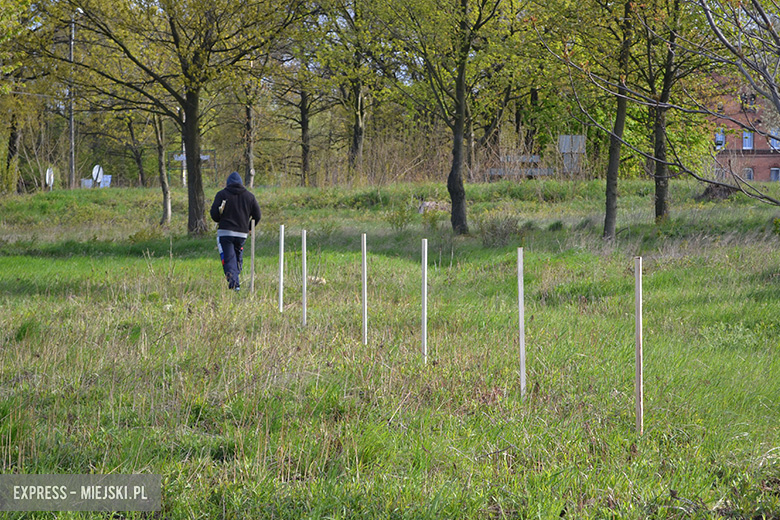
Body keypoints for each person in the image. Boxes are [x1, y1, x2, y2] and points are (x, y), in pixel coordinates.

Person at [210, 172, 261, 291]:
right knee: (237, 256)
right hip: (242, 234)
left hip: (225, 233)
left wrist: (220, 214)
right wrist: (249, 227)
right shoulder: (249, 196)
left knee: (228, 258)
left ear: (228, 183)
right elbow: (257, 215)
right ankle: (236, 275)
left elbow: (214, 216)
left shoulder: (221, 194)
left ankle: (234, 284)